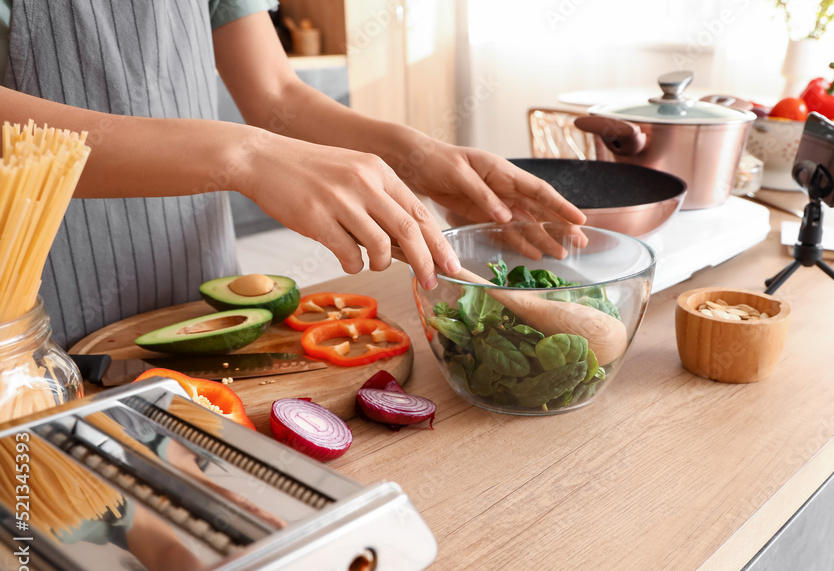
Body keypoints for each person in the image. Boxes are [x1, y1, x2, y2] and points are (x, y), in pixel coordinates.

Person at [0, 1, 585, 347]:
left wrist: (413, 154)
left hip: (198, 289)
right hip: (28, 314)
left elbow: (276, 93)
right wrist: (244, 156)